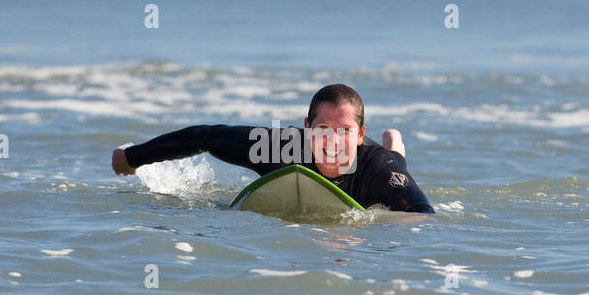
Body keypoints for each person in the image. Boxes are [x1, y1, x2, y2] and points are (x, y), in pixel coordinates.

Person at [111, 83, 435, 213]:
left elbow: (421, 218)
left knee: (394, 162)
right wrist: (132, 157)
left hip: (382, 161)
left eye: (345, 131)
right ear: (307, 129)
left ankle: (396, 144)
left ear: (361, 134)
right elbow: (206, 136)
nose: (334, 141)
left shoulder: (379, 170)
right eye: (323, 129)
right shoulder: (281, 148)